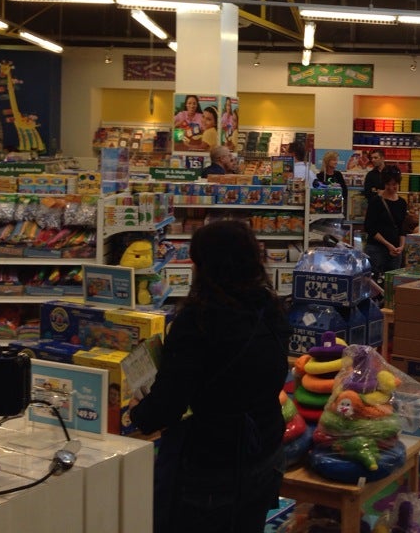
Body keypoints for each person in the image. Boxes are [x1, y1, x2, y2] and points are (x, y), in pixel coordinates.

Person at [129, 220, 291, 533]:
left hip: (212, 461)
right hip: (265, 449)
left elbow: (168, 403)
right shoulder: (270, 308)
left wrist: (139, 412)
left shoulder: (199, 320)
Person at [363, 166, 408, 278]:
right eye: (388, 184)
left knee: (392, 285)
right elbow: (370, 227)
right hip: (376, 249)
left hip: (395, 251)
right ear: (384, 183)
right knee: (375, 283)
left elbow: (401, 227)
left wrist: (401, 247)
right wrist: (388, 245)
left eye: (394, 185)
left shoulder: (402, 202)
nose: (391, 187)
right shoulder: (376, 201)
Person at [315, 150, 348, 218]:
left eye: (336, 160)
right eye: (333, 160)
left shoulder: (338, 174)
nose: (336, 162)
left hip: (337, 206)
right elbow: (317, 193)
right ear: (327, 161)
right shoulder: (320, 176)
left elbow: (344, 191)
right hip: (324, 208)